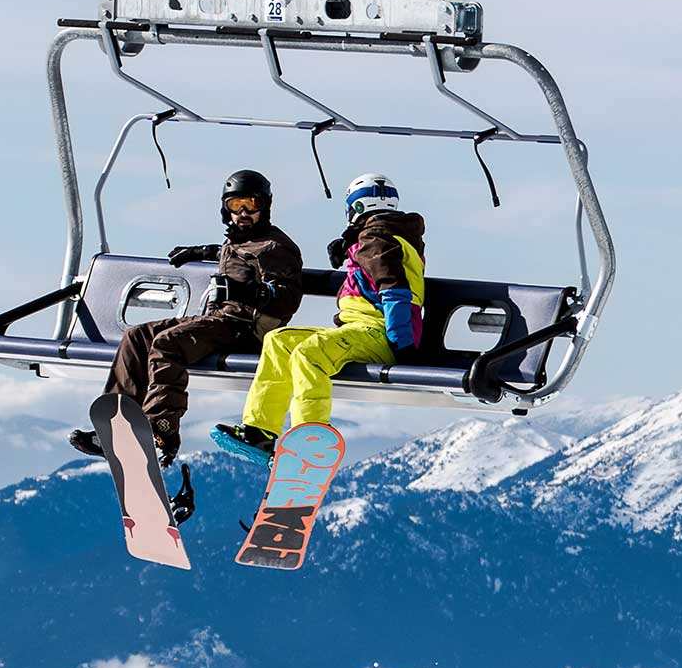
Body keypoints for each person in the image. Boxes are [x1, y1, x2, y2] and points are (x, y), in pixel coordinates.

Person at [68, 169, 304, 466]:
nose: (243, 213)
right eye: (235, 205)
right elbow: (235, 253)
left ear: (265, 206)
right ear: (224, 208)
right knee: (137, 336)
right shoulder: (240, 241)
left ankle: (160, 431)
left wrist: (247, 291)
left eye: (251, 205)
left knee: (168, 343)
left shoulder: (276, 247)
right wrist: (202, 251)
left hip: (247, 329)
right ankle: (117, 426)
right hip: (221, 320)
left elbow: (286, 298)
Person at [212, 173, 425, 462]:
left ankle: (309, 439)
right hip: (359, 330)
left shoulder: (377, 241)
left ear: (355, 208)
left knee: (309, 354)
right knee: (279, 341)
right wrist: (351, 245)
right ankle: (260, 432)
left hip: (381, 334)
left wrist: (402, 346)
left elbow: (396, 293)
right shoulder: (377, 238)